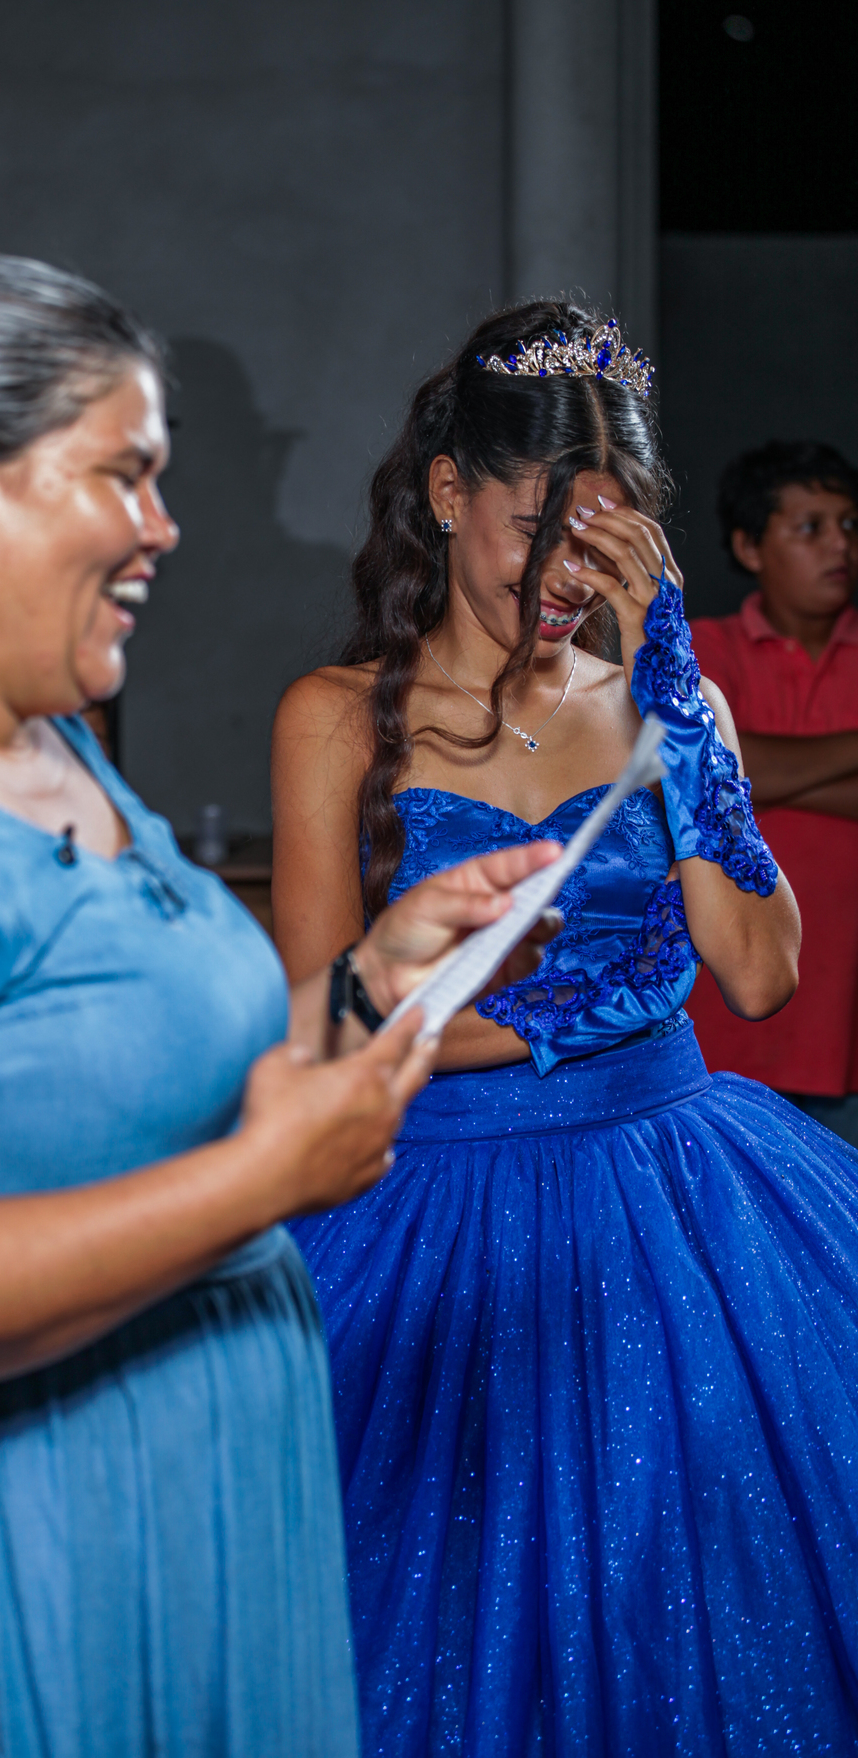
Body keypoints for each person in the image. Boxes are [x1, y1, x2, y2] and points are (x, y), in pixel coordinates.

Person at [0, 256, 560, 1758]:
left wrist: (378, 981)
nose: (163, 525)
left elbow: (133, 1072)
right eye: (123, 475)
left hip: (161, 1529)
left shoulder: (51, 740)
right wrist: (261, 1185)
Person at [272, 301, 858, 1754]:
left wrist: (679, 702)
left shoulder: (671, 704)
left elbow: (757, 973)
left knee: (691, 1613)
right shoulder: (339, 717)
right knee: (437, 1612)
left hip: (678, 1206)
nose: (561, 576)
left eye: (601, 537)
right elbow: (321, 1030)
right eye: (534, 525)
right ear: (447, 491)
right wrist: (570, 1013)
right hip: (434, 1207)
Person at [688, 441, 858, 1142]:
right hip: (726, 1020)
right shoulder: (702, 649)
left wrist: (747, 778)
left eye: (849, 524)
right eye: (810, 527)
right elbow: (695, 771)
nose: (840, 544)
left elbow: (725, 775)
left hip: (844, 1022)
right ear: (749, 547)